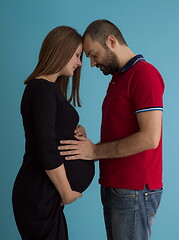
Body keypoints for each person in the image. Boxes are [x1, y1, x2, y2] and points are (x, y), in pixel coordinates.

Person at [59, 20, 165, 240]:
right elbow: (120, 133)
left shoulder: (144, 75)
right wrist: (89, 145)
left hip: (133, 189)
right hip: (117, 185)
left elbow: (150, 138)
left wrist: (94, 152)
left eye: (93, 54)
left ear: (111, 41)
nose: (91, 63)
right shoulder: (119, 78)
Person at [12, 26, 95, 240]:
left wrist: (76, 131)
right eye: (77, 55)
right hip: (39, 194)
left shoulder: (48, 89)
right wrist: (66, 193)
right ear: (61, 49)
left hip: (45, 195)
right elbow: (47, 149)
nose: (79, 63)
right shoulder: (41, 88)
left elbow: (50, 132)